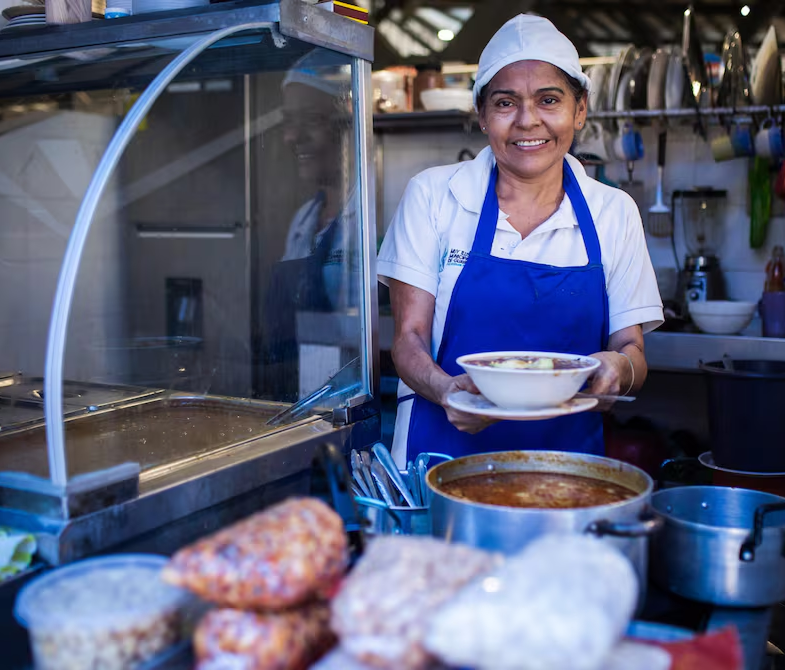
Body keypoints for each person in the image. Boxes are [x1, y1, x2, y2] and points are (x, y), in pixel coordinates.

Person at [377, 15, 664, 465]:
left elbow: (632, 350)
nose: (528, 121)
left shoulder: (614, 212)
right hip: (439, 458)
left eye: (549, 100)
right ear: (482, 115)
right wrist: (448, 391)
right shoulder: (433, 196)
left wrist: (619, 370)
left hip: (567, 468)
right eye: (506, 103)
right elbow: (408, 339)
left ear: (580, 108)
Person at [257, 49, 359, 402]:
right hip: (305, 405)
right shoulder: (304, 220)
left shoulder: (374, 214)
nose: (291, 136)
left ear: (348, 122)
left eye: (311, 120)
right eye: (288, 121)